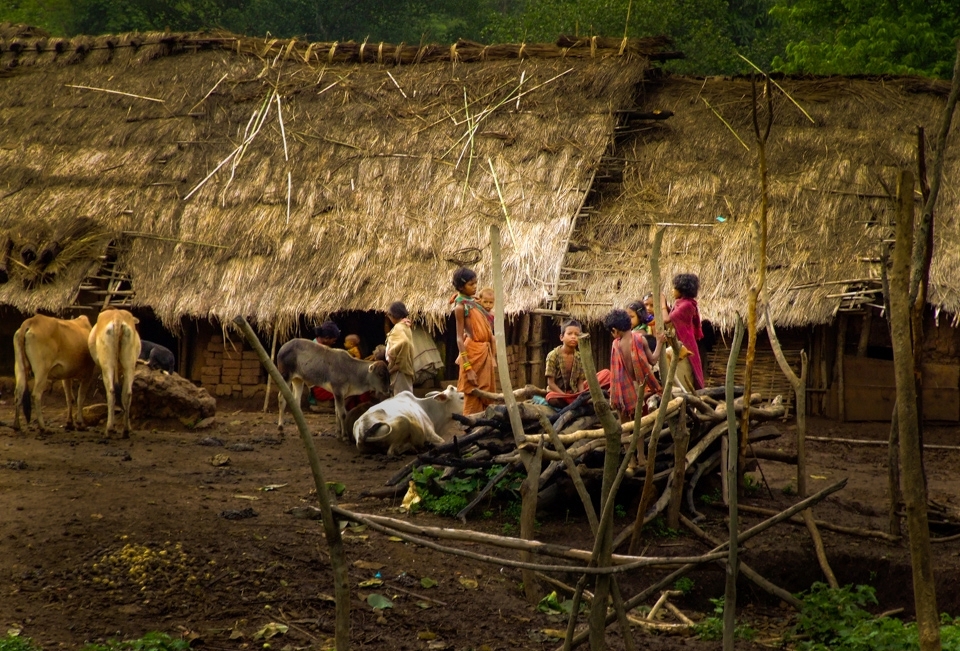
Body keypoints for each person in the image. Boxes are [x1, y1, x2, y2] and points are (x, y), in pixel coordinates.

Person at [604, 309, 664, 423]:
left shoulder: (615, 345)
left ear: (614, 330)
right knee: (638, 425)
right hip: (638, 389)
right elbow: (653, 360)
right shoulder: (640, 339)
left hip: (622, 391)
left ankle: (625, 441)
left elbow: (615, 370)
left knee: (625, 425)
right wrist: (660, 343)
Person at [451, 267, 496, 415]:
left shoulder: (475, 303)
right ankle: (470, 429)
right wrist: (467, 368)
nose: (475, 287)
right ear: (461, 286)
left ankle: (483, 427)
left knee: (486, 393)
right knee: (473, 393)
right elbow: (459, 338)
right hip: (472, 354)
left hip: (484, 351)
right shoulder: (460, 307)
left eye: (476, 283)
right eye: (471, 284)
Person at [661, 273, 705, 390]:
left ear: (682, 290)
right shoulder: (680, 304)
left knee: (682, 380)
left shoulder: (687, 305)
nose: (672, 290)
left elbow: (667, 319)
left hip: (684, 348)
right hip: (677, 347)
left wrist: (662, 305)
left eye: (674, 288)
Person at [544, 319, 588, 407]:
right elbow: (551, 383)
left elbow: (580, 382)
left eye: (576, 334)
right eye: (569, 333)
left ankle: (574, 402)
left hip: (573, 393)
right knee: (552, 399)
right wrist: (565, 396)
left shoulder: (580, 357)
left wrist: (581, 395)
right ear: (561, 337)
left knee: (604, 374)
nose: (573, 337)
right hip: (558, 394)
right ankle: (571, 403)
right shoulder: (553, 355)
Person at [310, 320, 341, 411]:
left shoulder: (319, 346)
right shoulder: (315, 349)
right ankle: (338, 409)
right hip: (319, 386)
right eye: (333, 341)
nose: (333, 343)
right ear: (327, 338)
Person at [385, 301, 415, 395]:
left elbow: (404, 342)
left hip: (399, 371)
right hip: (404, 369)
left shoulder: (398, 327)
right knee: (407, 398)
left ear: (394, 315)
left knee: (401, 400)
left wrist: (394, 356)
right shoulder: (405, 326)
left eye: (389, 315)